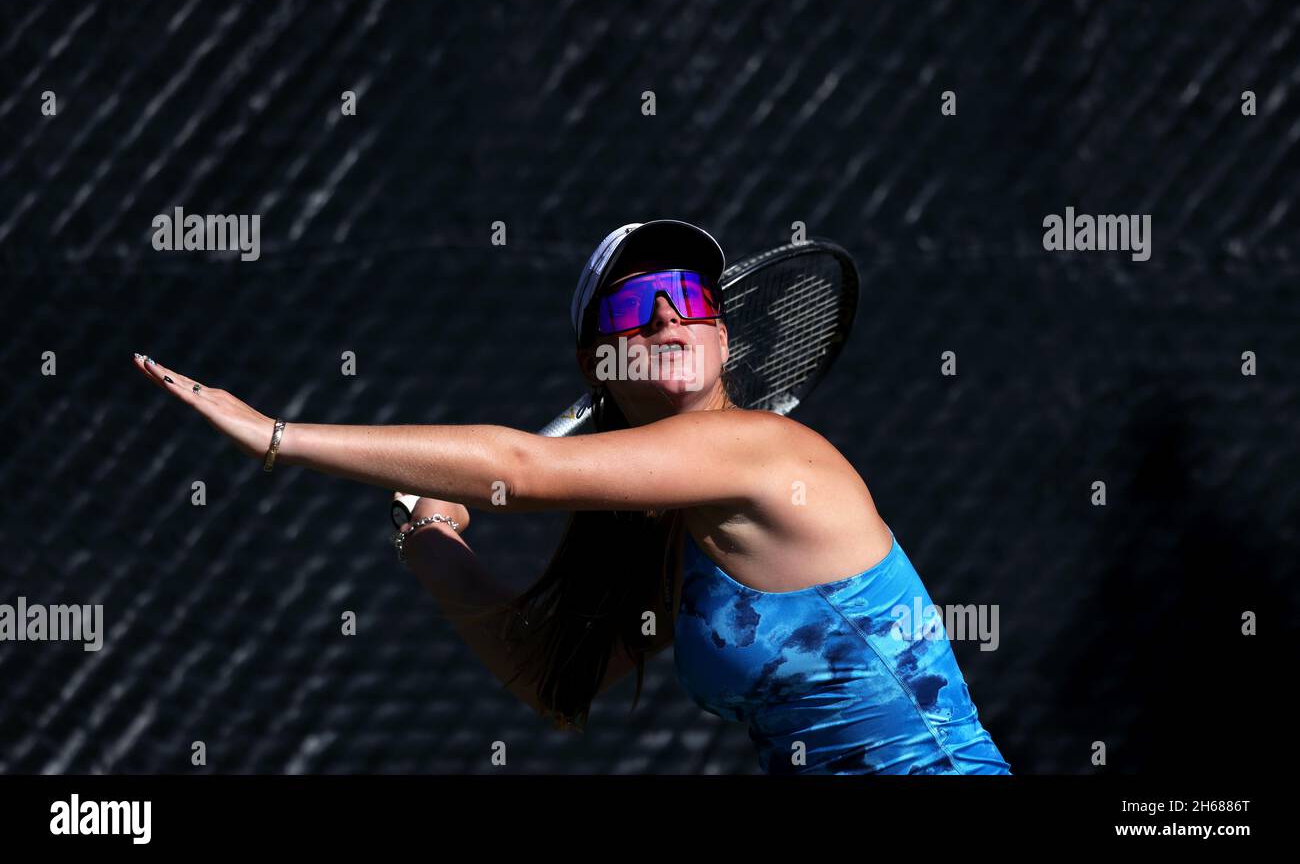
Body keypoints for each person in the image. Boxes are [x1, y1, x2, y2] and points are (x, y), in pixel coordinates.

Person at [131, 219, 1011, 775]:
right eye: (637, 303)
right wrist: (430, 538)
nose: (669, 317)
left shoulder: (765, 453)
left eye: (689, 297)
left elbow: (520, 466)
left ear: (722, 331)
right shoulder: (667, 536)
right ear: (601, 361)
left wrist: (280, 436)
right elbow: (550, 677)